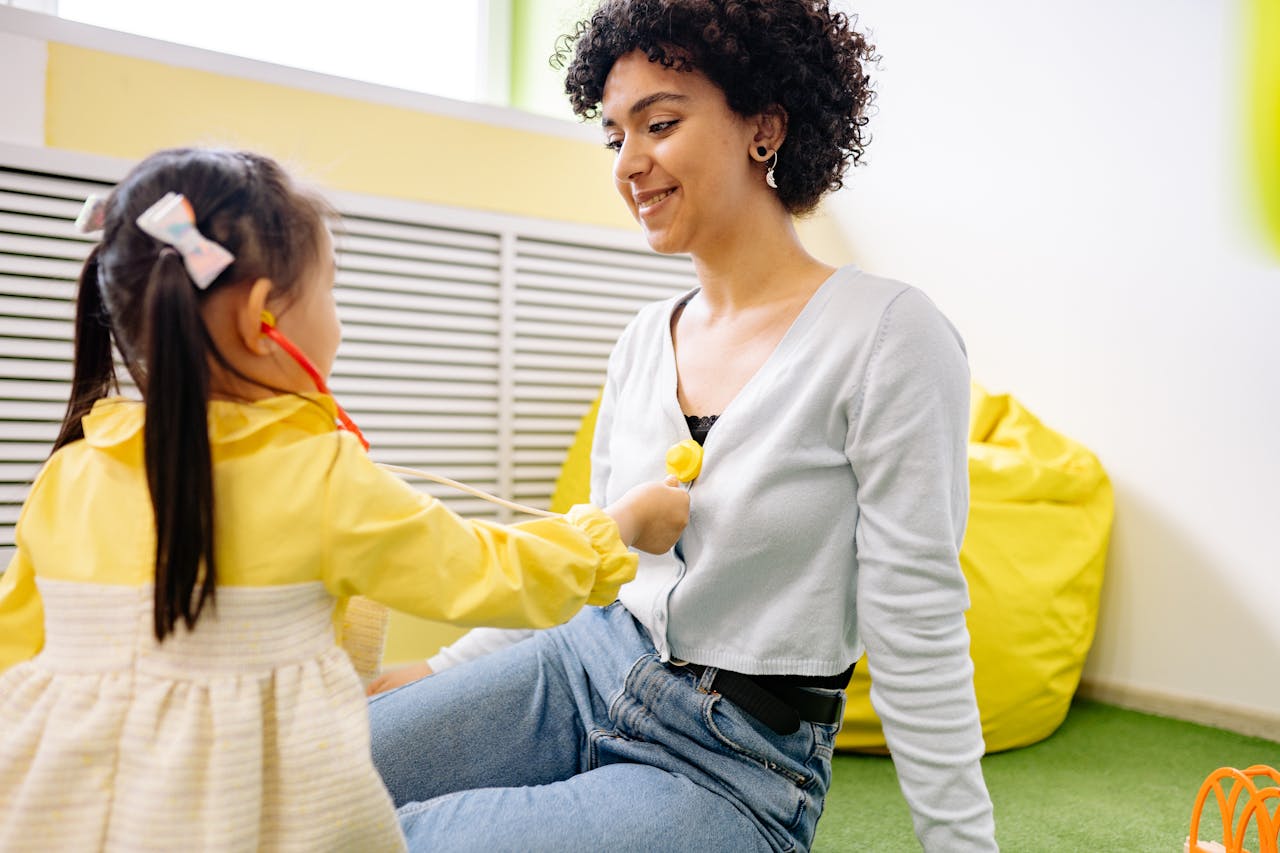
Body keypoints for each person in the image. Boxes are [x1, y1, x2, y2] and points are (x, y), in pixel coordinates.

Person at [367, 1, 999, 850]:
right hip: (581, 665)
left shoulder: (889, 335)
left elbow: (917, 618)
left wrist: (963, 843)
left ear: (764, 128)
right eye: (614, 136)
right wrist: (431, 678)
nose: (630, 163)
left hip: (733, 764)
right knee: (301, 779)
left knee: (381, 839)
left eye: (659, 123)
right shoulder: (640, 341)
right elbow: (586, 563)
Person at [0, 147, 688, 852]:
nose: (337, 318)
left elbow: (15, 645)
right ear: (264, 319)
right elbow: (485, 569)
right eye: (330, 291)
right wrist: (619, 525)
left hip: (68, 804)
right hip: (246, 814)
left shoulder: (70, 473)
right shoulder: (319, 476)